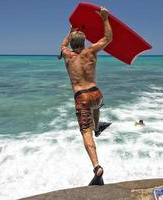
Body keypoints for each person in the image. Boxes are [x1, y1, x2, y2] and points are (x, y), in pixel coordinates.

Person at [59, 6, 113, 185]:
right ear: (84, 42)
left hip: (81, 96)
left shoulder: (66, 55)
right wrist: (105, 18)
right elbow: (108, 38)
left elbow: (62, 46)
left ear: (71, 44)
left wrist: (69, 32)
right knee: (96, 106)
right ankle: (97, 126)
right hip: (96, 93)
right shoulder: (91, 51)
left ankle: (97, 167)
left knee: (85, 132)